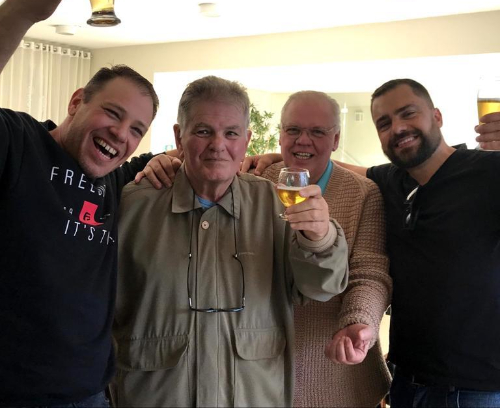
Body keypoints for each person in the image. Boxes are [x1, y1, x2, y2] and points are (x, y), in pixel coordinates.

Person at [249, 79, 500, 408]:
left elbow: (370, 271)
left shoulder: (490, 172)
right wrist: (281, 157)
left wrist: (359, 319)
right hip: (408, 378)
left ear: (437, 116)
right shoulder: (389, 181)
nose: (398, 128)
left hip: (476, 385)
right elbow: (330, 167)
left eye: (408, 113)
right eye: (384, 123)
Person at [110, 76, 349, 407]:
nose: (217, 144)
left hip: (254, 396)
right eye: (203, 131)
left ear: (246, 140)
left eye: (231, 133)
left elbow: (321, 287)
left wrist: (320, 238)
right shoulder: (134, 205)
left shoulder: (276, 204)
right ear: (179, 137)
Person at [0, 0, 160, 407]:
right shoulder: (19, 143)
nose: (122, 134)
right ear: (76, 102)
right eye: (113, 113)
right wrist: (23, 8)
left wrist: (270, 158)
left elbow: (202, 154)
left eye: (137, 130)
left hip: (91, 394)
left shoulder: (116, 179)